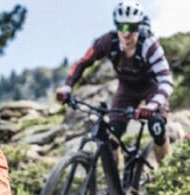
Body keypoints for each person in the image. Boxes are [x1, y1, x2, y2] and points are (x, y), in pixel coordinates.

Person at [56, 0, 174, 163]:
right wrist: (67, 87)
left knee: (157, 127)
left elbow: (166, 80)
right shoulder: (107, 42)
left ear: (139, 26)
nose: (126, 34)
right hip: (126, 89)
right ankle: (114, 184)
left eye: (132, 28)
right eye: (122, 27)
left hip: (151, 89)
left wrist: (152, 106)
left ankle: (166, 173)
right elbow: (82, 62)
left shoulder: (150, 45)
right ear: (116, 25)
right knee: (112, 134)